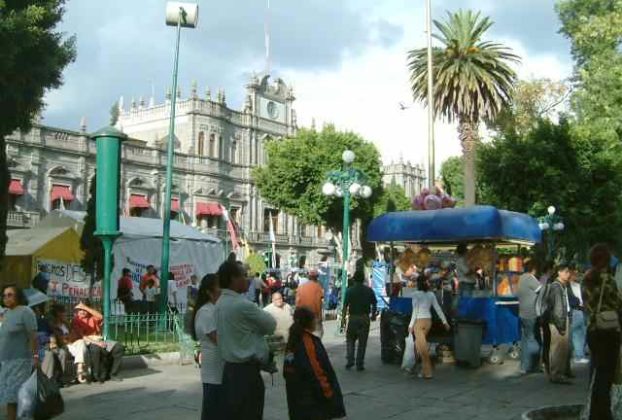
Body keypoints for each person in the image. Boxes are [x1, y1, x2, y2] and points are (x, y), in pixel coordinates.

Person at [215, 260, 277, 420]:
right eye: (244, 275)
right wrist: (256, 329)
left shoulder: (220, 303)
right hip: (246, 373)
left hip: (229, 371)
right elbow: (271, 325)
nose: (248, 279)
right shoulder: (242, 305)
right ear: (233, 279)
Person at [283, 307, 346, 420]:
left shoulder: (293, 340)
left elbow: (287, 370)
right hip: (313, 399)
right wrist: (329, 394)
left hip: (296, 397)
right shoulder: (308, 342)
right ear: (308, 322)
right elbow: (316, 371)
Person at [583, 244, 622, 420]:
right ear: (607, 259)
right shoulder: (609, 280)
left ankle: (595, 412)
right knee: (607, 376)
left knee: (598, 372)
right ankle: (603, 414)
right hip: (609, 331)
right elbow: (617, 304)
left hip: (593, 330)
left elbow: (587, 305)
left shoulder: (587, 279)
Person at [0, 285, 38, 420]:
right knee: (9, 398)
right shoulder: (6, 314)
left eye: (10, 295)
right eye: (4, 295)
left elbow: (33, 336)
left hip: (20, 361)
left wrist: (35, 357)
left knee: (18, 398)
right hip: (5, 362)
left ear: (18, 296)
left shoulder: (25, 311)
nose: (6, 298)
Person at [192, 274, 224, 420]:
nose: (222, 290)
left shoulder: (215, 309)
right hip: (214, 372)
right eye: (219, 286)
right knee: (213, 410)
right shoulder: (206, 312)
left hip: (221, 369)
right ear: (209, 291)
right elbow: (219, 340)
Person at [407, 276, 450, 379]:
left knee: (423, 349)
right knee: (418, 345)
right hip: (428, 322)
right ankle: (415, 368)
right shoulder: (431, 294)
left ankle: (428, 372)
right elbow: (438, 308)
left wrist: (410, 325)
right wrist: (445, 322)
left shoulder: (415, 295)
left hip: (418, 323)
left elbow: (415, 310)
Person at [71, 302, 125, 383]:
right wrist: (97, 343)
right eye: (80, 310)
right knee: (96, 349)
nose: (82, 312)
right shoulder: (76, 320)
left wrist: (85, 307)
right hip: (88, 341)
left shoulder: (92, 317)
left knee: (118, 347)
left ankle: (113, 374)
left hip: (100, 339)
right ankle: (96, 375)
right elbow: (82, 336)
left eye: (84, 310)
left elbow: (101, 317)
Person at [343, 270, 377, 371]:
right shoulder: (369, 290)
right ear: (363, 280)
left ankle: (350, 360)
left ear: (354, 279)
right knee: (362, 342)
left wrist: (343, 321)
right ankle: (359, 363)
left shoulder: (350, 291)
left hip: (353, 318)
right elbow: (374, 303)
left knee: (350, 340)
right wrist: (373, 315)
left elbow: (345, 306)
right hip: (365, 318)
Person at [47, 304, 89, 384]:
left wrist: (69, 337)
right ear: (58, 314)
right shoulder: (53, 326)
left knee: (81, 342)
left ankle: (79, 367)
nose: (65, 314)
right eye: (63, 313)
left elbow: (75, 335)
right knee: (83, 350)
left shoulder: (66, 324)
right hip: (64, 346)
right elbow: (62, 340)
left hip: (72, 344)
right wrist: (69, 337)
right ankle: (80, 373)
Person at [545, 262, 573, 384]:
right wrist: (561, 325)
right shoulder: (556, 287)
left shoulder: (562, 285)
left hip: (561, 319)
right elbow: (557, 309)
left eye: (569, 272)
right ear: (559, 272)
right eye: (566, 272)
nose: (568, 274)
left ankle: (561, 372)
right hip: (558, 321)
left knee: (563, 348)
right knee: (558, 348)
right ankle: (557, 374)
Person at [516, 259, 542, 374]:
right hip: (531, 313)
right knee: (533, 339)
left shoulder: (521, 278)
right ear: (534, 269)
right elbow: (542, 290)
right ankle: (532, 365)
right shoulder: (530, 278)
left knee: (525, 339)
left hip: (522, 313)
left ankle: (524, 365)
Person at [568, 267, 588, 364]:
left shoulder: (579, 285)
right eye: (574, 273)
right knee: (577, 334)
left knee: (582, 332)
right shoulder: (568, 286)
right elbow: (570, 298)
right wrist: (578, 302)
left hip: (582, 310)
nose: (577, 275)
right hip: (575, 310)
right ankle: (579, 355)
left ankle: (579, 353)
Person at [296, 269, 324, 338]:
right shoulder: (318, 287)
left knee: (304, 336)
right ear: (317, 277)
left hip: (302, 315)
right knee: (316, 336)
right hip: (313, 315)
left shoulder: (300, 287)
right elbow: (318, 303)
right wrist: (320, 317)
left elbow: (297, 302)